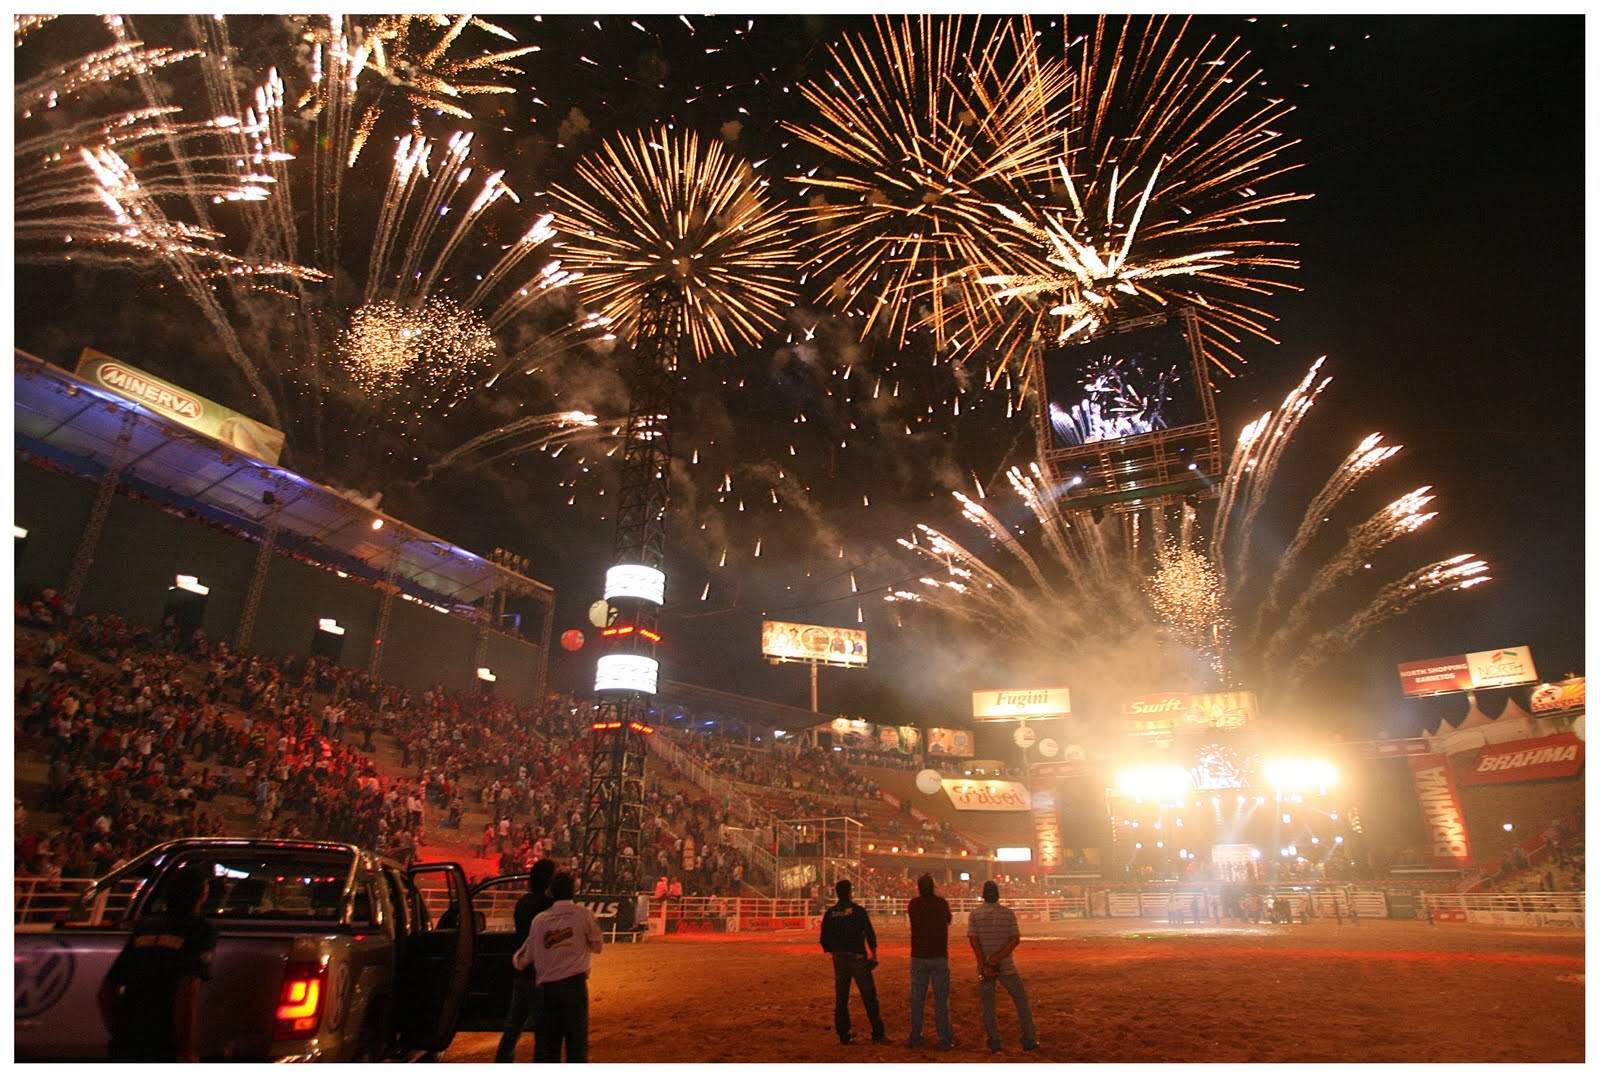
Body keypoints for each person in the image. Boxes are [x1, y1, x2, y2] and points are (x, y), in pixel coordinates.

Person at [96, 865, 217, 1061]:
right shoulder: (200, 931)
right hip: (164, 1041)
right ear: (202, 893)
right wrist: (185, 1049)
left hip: (128, 1041)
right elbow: (187, 990)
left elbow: (105, 992)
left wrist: (120, 1033)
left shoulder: (145, 928)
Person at [516, 870, 602, 1063]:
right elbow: (597, 947)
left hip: (548, 990)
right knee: (576, 1047)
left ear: (551, 892)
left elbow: (524, 958)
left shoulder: (540, 920)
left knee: (549, 1048)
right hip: (575, 987)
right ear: (574, 890)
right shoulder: (584, 915)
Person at [495, 858, 557, 1062]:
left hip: (522, 972)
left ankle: (502, 1063)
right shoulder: (549, 907)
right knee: (543, 1030)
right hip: (542, 975)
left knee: (512, 1027)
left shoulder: (523, 903)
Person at [967, 880, 1038, 1054]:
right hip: (1006, 965)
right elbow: (1015, 939)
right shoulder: (1008, 914)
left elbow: (974, 941)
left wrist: (985, 963)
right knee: (1021, 1001)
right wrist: (997, 959)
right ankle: (1029, 1039)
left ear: (983, 895)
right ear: (998, 896)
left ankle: (995, 1042)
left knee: (988, 1005)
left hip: (985, 967)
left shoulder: (975, 915)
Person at [819, 878, 887, 1045]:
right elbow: (869, 933)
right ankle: (877, 1032)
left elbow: (824, 938)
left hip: (839, 957)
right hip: (857, 956)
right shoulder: (858, 911)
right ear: (850, 893)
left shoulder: (831, 913)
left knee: (842, 996)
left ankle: (843, 1034)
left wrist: (833, 950)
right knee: (869, 995)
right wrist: (874, 954)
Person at [905, 873, 954, 1050]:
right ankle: (944, 1039)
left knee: (917, 998)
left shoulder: (914, 904)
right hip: (938, 955)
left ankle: (915, 1036)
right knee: (941, 1000)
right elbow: (948, 920)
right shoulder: (941, 903)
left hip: (918, 955)